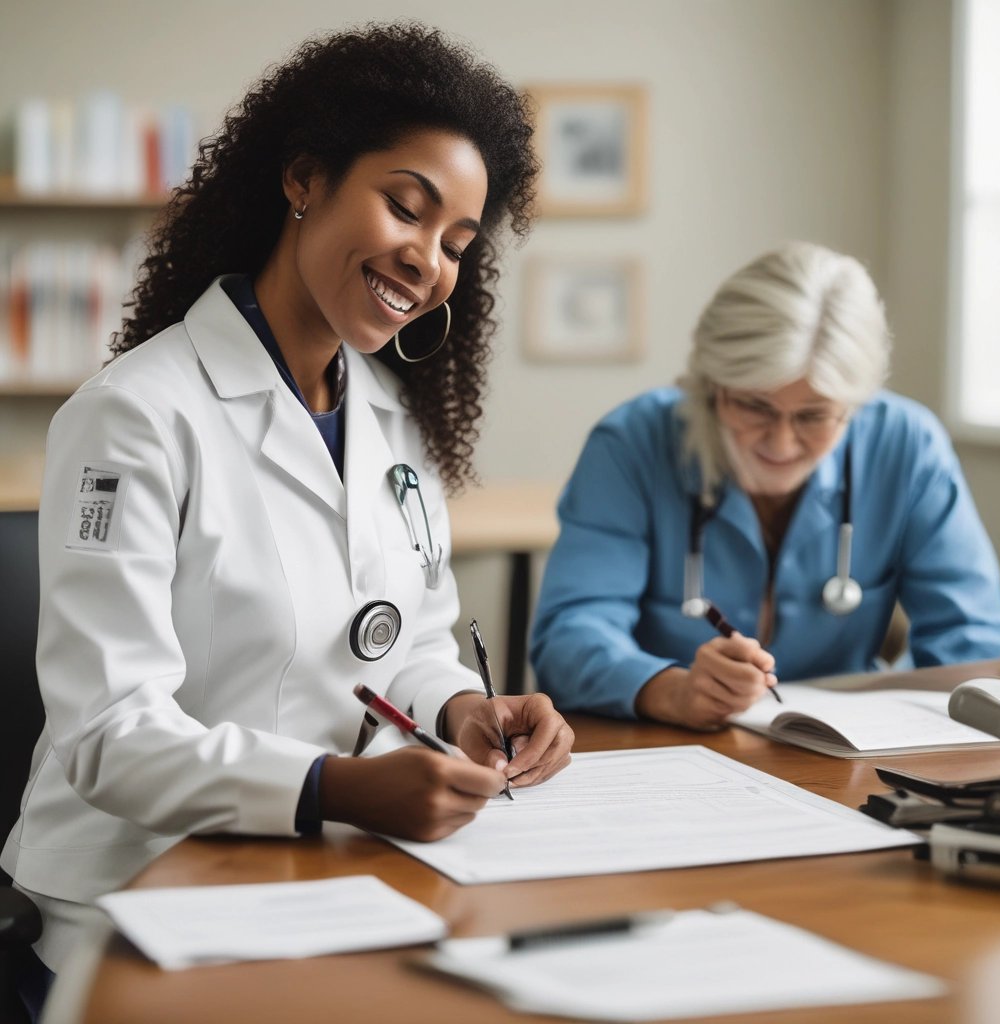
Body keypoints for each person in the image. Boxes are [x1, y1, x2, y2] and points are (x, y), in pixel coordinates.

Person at [3, 22, 574, 1004]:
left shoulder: (390, 418)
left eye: (455, 243)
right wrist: (332, 786)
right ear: (304, 178)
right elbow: (108, 733)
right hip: (134, 902)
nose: (428, 260)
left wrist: (459, 707)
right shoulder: (133, 415)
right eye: (406, 207)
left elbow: (410, 636)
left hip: (323, 875)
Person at [531, 241, 1000, 731]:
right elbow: (569, 638)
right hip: (667, 745)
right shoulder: (632, 444)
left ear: (854, 407)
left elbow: (977, 642)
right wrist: (671, 690)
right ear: (711, 384)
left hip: (848, 755)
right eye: (755, 406)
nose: (782, 442)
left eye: (813, 416)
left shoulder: (907, 446)